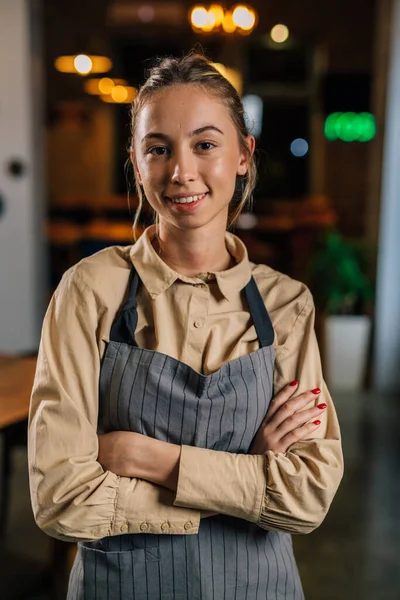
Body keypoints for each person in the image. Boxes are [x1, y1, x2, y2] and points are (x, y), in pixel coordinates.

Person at [28, 52, 343, 600]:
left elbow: (307, 497)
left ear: (244, 154)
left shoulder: (287, 305)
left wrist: (149, 459)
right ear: (135, 160)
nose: (181, 171)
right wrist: (245, 476)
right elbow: (60, 496)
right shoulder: (89, 290)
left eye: (204, 144)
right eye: (158, 149)